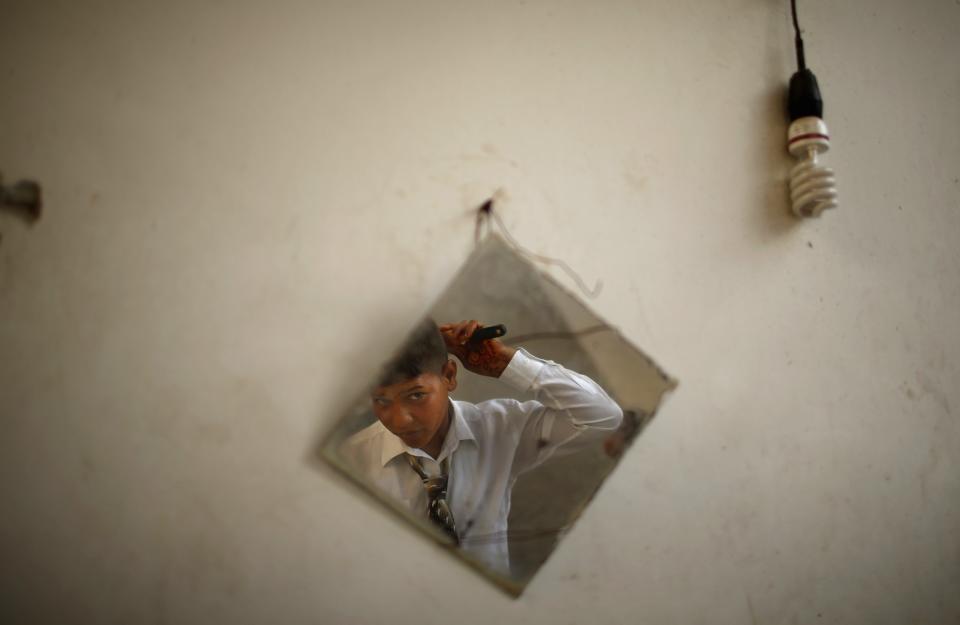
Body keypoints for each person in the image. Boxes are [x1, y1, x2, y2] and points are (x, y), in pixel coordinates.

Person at [340, 318, 623, 576]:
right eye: (382, 401)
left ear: (449, 376)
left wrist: (507, 365)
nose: (400, 419)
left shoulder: (500, 428)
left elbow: (604, 416)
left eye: (416, 395)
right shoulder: (353, 457)